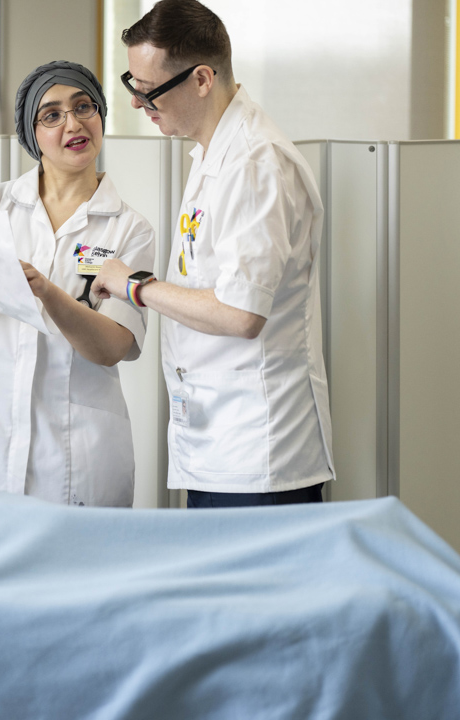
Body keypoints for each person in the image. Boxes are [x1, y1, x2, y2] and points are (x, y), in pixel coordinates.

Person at [96, 0, 334, 507]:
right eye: (131, 85)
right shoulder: (212, 153)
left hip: (259, 454)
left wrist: (134, 285)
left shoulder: (255, 163)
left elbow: (242, 314)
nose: (139, 104)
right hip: (218, 442)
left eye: (150, 90)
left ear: (202, 79)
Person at [0, 61, 155, 508]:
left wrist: (47, 292)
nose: (74, 123)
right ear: (32, 134)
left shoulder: (130, 230)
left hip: (73, 451)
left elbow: (111, 347)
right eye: (52, 115)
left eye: (85, 107)